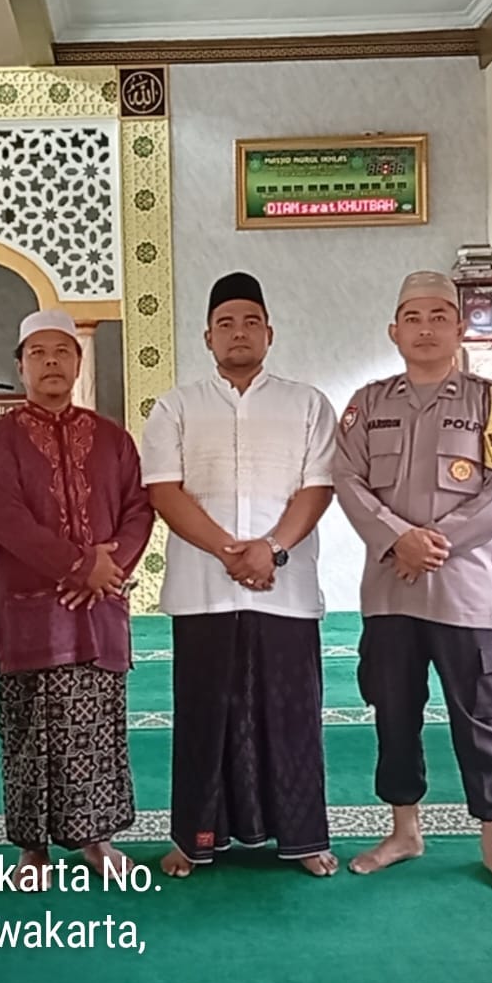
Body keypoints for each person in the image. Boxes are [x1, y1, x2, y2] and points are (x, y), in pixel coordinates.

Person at [331, 269, 492, 898]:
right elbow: (347, 479)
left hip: (465, 595)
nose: (425, 329)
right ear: (394, 331)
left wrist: (431, 543)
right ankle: (404, 831)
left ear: (460, 328)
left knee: (481, 720)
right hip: (391, 593)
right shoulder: (368, 404)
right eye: (413, 319)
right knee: (394, 715)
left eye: (439, 317)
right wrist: (399, 538)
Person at [141, 271, 339, 879]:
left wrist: (271, 549)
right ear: (207, 337)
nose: (238, 333)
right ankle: (196, 839)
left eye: (251, 322)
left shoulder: (307, 403)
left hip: (286, 590)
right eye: (225, 324)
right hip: (203, 591)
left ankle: (303, 838)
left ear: (269, 333)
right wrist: (232, 551)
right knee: (205, 718)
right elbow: (163, 491)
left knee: (292, 717)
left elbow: (318, 487)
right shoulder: (176, 406)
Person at [0, 309, 154, 886]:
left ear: (77, 362)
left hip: (98, 613)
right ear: (20, 366)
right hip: (30, 614)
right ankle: (34, 852)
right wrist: (80, 565)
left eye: (62, 352)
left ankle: (97, 841)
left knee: (97, 731)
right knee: (31, 735)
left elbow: (138, 509)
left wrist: (109, 567)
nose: (51, 362)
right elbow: (5, 519)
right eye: (38, 353)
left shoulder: (112, 438)